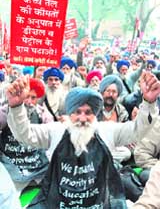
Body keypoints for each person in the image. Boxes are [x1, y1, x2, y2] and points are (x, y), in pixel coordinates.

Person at [6, 71, 160, 208]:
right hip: (58, 201)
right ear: (69, 113)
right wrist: (16, 107)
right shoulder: (55, 131)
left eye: (88, 112)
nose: (82, 118)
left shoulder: (108, 130)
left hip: (98, 202)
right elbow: (24, 134)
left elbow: (138, 130)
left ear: (95, 114)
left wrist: (149, 103)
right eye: (77, 112)